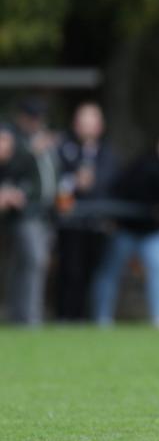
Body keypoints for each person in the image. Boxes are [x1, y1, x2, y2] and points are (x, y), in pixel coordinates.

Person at [90, 126, 159, 329]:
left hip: (152, 233)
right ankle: (101, 318)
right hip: (126, 228)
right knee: (110, 272)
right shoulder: (146, 164)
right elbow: (136, 191)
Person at [55, 102, 119, 321]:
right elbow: (58, 183)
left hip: (97, 223)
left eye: (92, 123)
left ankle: (93, 318)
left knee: (96, 273)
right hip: (71, 223)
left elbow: (112, 184)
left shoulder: (107, 153)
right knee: (71, 271)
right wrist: (74, 182)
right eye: (84, 123)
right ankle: (66, 317)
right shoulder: (63, 149)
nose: (88, 128)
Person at [3, 98, 57, 326]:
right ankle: (29, 316)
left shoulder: (45, 141)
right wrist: (31, 152)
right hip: (25, 214)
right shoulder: (14, 138)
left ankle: (21, 314)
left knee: (28, 264)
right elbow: (9, 168)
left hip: (47, 214)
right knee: (34, 261)